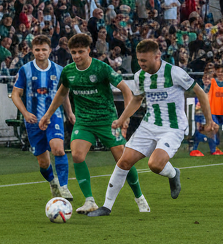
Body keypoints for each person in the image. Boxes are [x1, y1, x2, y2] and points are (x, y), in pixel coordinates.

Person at [86, 40, 212, 216]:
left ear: (157, 56)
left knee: (155, 164)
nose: (141, 64)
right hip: (149, 125)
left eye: (144, 60)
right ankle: (106, 207)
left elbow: (200, 93)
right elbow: (137, 100)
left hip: (172, 128)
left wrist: (209, 120)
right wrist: (122, 119)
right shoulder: (140, 76)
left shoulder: (174, 73)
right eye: (139, 60)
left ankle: (173, 173)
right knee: (124, 161)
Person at [39, 33, 150, 214]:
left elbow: (125, 89)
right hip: (84, 121)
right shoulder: (68, 71)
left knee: (123, 161)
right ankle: (89, 201)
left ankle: (139, 197)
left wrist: (125, 117)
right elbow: (62, 93)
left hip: (108, 121)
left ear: (89, 51)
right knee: (77, 155)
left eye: (80, 52)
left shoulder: (101, 68)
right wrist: (47, 115)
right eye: (73, 52)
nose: (76, 56)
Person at [12, 35, 72, 200]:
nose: (40, 53)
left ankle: (64, 186)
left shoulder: (59, 70)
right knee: (43, 163)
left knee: (58, 149)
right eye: (37, 50)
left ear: (49, 50)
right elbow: (16, 94)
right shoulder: (25, 70)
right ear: (32, 50)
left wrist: (70, 112)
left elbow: (64, 94)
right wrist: (25, 113)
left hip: (54, 117)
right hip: (33, 121)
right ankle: (53, 183)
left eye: (44, 49)